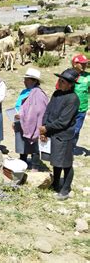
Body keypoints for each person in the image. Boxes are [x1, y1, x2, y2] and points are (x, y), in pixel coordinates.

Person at [40, 68, 80, 201]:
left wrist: (47, 128)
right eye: (59, 80)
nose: (60, 82)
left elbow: (63, 121)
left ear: (70, 84)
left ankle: (66, 189)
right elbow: (48, 111)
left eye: (63, 81)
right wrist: (44, 127)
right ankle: (56, 184)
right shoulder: (57, 94)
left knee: (66, 163)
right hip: (52, 132)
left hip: (64, 134)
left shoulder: (73, 99)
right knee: (56, 160)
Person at [13, 68, 48, 171]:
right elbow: (19, 105)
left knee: (35, 145)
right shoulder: (24, 91)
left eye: (27, 79)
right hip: (20, 121)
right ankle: (22, 162)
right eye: (25, 79)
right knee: (21, 143)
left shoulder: (39, 94)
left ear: (34, 81)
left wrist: (23, 116)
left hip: (33, 123)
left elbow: (39, 110)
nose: (24, 81)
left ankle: (35, 166)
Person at [71, 54, 89, 152]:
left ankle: (71, 148)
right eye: (82, 64)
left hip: (82, 108)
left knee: (76, 130)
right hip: (68, 108)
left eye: (85, 63)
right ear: (75, 64)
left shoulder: (88, 77)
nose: (84, 65)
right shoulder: (68, 74)